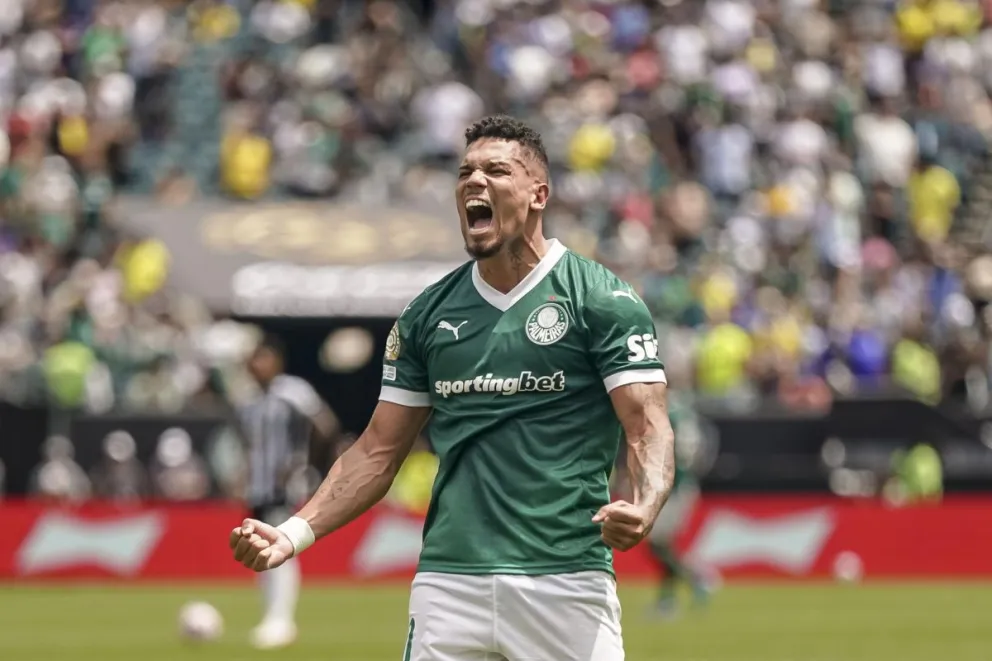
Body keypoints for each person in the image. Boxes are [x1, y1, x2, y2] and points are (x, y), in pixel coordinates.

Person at [228, 115, 677, 660]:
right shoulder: (426, 315)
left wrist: (646, 504)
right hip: (448, 585)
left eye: (495, 170)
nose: (473, 182)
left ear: (539, 194)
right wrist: (293, 532)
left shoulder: (600, 299)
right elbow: (377, 450)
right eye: (465, 171)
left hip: (564, 581)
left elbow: (646, 424)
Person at [238, 334, 338, 649]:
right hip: (258, 485)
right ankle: (270, 616)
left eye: (263, 357)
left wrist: (303, 465)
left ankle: (282, 619)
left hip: (286, 483)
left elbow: (325, 425)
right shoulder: (249, 401)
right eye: (253, 358)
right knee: (259, 546)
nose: (257, 365)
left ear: (277, 361)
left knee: (281, 545)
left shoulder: (291, 391)